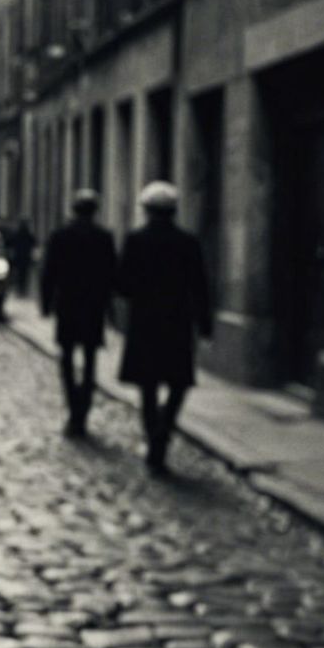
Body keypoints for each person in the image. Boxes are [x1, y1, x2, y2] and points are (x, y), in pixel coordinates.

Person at [116, 181, 213, 475]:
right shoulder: (188, 242)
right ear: (173, 211)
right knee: (178, 382)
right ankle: (164, 429)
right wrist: (205, 324)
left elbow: (122, 284)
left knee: (148, 385)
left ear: (146, 210)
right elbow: (200, 287)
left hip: (145, 321)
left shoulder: (135, 240)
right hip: (177, 322)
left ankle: (154, 437)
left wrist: (139, 296)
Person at [39, 190, 117, 438]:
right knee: (90, 360)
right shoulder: (103, 237)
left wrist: (46, 302)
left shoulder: (61, 235)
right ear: (94, 211)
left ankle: (74, 409)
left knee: (67, 359)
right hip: (93, 308)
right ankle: (83, 410)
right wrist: (111, 309)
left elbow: (48, 271)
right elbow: (111, 275)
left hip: (68, 306)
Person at [5, 218, 37, 298]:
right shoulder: (28, 235)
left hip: (18, 258)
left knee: (19, 274)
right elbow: (34, 243)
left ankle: (20, 289)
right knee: (24, 275)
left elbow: (9, 243)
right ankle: (22, 289)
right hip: (25, 258)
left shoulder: (17, 235)